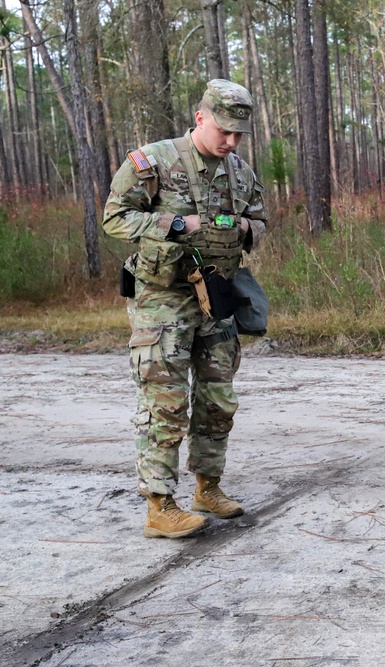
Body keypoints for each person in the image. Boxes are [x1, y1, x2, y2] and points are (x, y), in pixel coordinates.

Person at [103, 79, 267, 538]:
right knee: (165, 403)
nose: (230, 142)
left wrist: (245, 228)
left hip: (216, 298)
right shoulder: (153, 161)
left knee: (218, 400)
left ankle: (207, 487)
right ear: (200, 118)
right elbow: (114, 217)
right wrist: (174, 223)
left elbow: (259, 218)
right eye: (223, 131)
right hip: (163, 300)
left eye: (238, 134)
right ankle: (159, 505)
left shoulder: (240, 172)